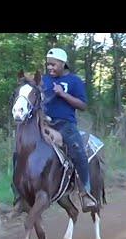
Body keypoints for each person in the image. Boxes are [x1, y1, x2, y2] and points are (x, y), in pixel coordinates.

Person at [12, 48, 97, 212]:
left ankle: (84, 192)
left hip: (66, 125)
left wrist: (63, 94)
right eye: (48, 64)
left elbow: (83, 105)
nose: (50, 68)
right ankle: (20, 195)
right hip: (44, 124)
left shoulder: (74, 81)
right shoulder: (43, 80)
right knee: (19, 151)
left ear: (62, 63)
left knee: (78, 152)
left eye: (53, 64)